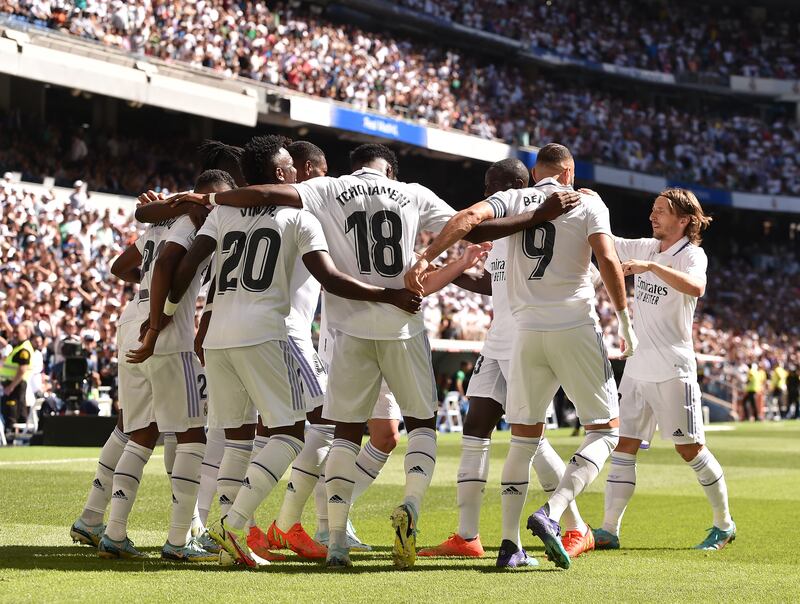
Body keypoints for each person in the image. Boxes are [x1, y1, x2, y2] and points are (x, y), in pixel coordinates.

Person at [168, 142, 489, 569]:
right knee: (415, 425)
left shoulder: (323, 192)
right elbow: (467, 226)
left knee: (334, 433)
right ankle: (407, 505)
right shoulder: (407, 193)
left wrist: (167, 315)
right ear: (389, 171)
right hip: (378, 326)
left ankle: (331, 538)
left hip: (328, 333)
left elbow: (247, 210)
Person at [407, 143, 637, 570]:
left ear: (536, 175)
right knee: (606, 430)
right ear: (569, 175)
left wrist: (425, 257)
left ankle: (510, 545)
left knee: (523, 437)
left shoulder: (512, 202)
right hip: (573, 326)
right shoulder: (588, 202)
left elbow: (467, 220)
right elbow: (607, 258)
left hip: (526, 333)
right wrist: (625, 322)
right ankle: (555, 512)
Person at [96, 170, 232, 562]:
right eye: (219, 199)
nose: (221, 206)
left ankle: (114, 532)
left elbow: (121, 267)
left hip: (128, 322)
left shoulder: (165, 218)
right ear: (205, 197)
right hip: (165, 334)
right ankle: (178, 540)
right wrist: (157, 323)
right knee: (191, 436)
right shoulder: (192, 219)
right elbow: (167, 263)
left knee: (141, 431)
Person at [592, 188, 736, 551]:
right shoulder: (644, 246)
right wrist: (595, 204)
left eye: (661, 211)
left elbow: (697, 286)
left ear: (684, 219)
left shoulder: (692, 254)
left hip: (674, 367)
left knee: (690, 449)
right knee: (624, 446)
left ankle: (724, 525)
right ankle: (609, 529)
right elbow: (604, 240)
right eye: (652, 210)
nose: (652, 216)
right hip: (638, 366)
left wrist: (652, 267)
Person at [1, 322, 34, 428]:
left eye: (17, 332)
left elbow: (22, 370)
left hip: (16, 386)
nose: (14, 334)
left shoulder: (24, 349)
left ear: (25, 333)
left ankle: (13, 437)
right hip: (11, 385)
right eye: (14, 332)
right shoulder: (18, 347)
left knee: (13, 412)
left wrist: (11, 386)